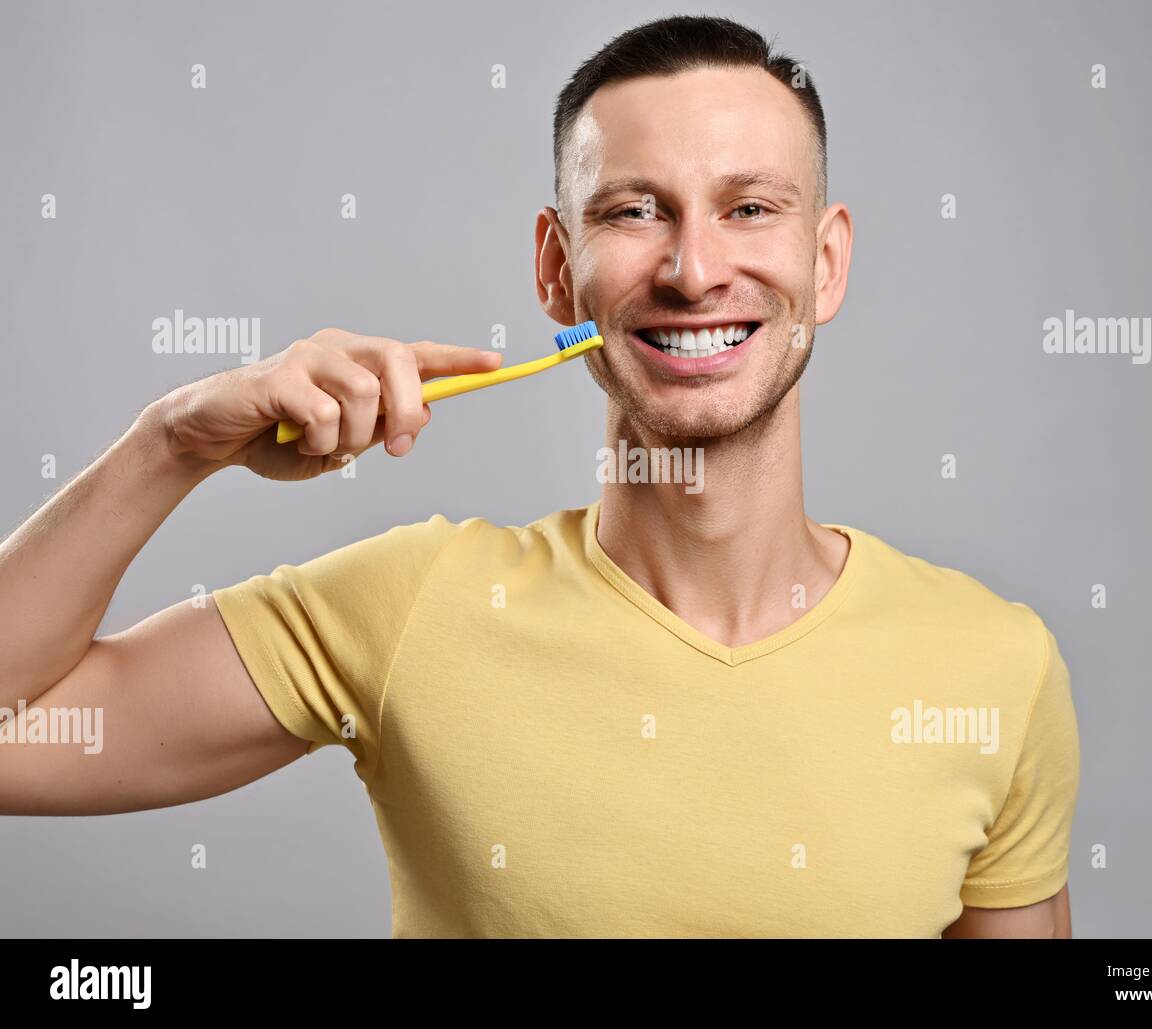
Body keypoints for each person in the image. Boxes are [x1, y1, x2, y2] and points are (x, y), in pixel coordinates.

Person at [0, 15, 1079, 938]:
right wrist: (173, 443)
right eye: (632, 210)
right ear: (557, 269)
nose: (695, 269)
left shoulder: (994, 665)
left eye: (749, 208)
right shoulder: (410, 608)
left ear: (826, 262)